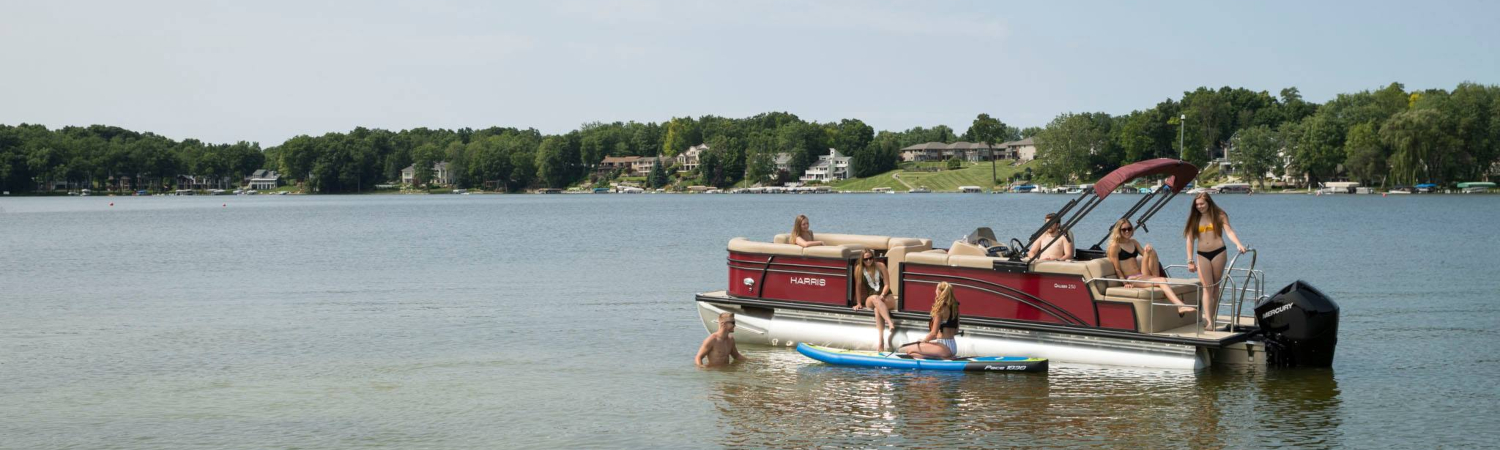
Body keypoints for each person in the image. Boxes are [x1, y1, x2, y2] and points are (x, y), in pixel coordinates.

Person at [1183, 193, 1247, 330]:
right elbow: (1189, 239)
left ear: (1209, 202)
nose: (1199, 206)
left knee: (1215, 287)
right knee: (1207, 288)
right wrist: (1190, 259)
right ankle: (1209, 320)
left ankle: (1213, 315)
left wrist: (1238, 244)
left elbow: (1229, 231)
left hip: (1219, 251)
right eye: (1197, 204)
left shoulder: (1220, 214)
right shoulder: (1195, 218)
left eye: (1202, 204)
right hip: (1202, 254)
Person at [1106, 219, 1194, 317]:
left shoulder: (1133, 242)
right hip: (1132, 279)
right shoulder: (1115, 246)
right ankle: (1179, 305)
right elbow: (1117, 268)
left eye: (1129, 229)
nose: (1127, 231)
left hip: (1141, 275)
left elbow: (1145, 255)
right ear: (1119, 231)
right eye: (1124, 229)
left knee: (1151, 251)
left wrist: (1148, 249)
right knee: (1161, 280)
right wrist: (1125, 283)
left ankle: (1156, 278)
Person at [899, 282, 959, 359]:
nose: (935, 291)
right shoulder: (955, 307)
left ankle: (941, 358)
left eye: (936, 289)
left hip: (944, 347)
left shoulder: (940, 309)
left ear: (940, 292)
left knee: (909, 350)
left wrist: (923, 340)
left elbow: (933, 333)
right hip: (953, 346)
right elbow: (956, 331)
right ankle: (941, 357)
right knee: (917, 350)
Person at [853, 249, 896, 352]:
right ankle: (889, 322)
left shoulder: (881, 266)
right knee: (875, 298)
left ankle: (881, 342)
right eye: (865, 259)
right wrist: (859, 303)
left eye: (870, 258)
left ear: (873, 258)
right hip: (871, 298)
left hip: (886, 296)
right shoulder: (859, 269)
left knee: (877, 310)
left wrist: (882, 295)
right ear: (862, 260)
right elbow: (858, 287)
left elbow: (887, 284)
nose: (868, 261)